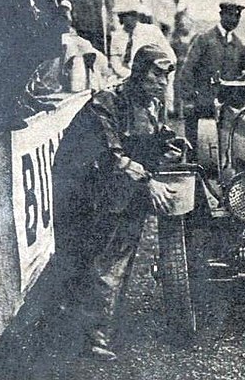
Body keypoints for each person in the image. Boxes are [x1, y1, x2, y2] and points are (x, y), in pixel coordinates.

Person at [52, 43, 183, 361]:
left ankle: (101, 329)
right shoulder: (107, 102)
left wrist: (170, 141)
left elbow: (151, 134)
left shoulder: (151, 102)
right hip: (86, 190)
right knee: (98, 259)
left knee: (120, 255)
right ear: (139, 73)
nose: (163, 83)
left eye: (167, 76)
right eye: (157, 75)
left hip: (120, 189)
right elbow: (113, 155)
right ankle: (90, 336)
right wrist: (148, 181)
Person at [178, 1, 245, 156]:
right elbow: (188, 69)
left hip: (224, 107)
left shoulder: (237, 44)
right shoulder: (204, 39)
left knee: (220, 149)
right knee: (195, 148)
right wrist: (188, 99)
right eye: (229, 15)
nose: (233, 20)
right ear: (221, 15)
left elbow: (240, 74)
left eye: (237, 17)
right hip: (201, 104)